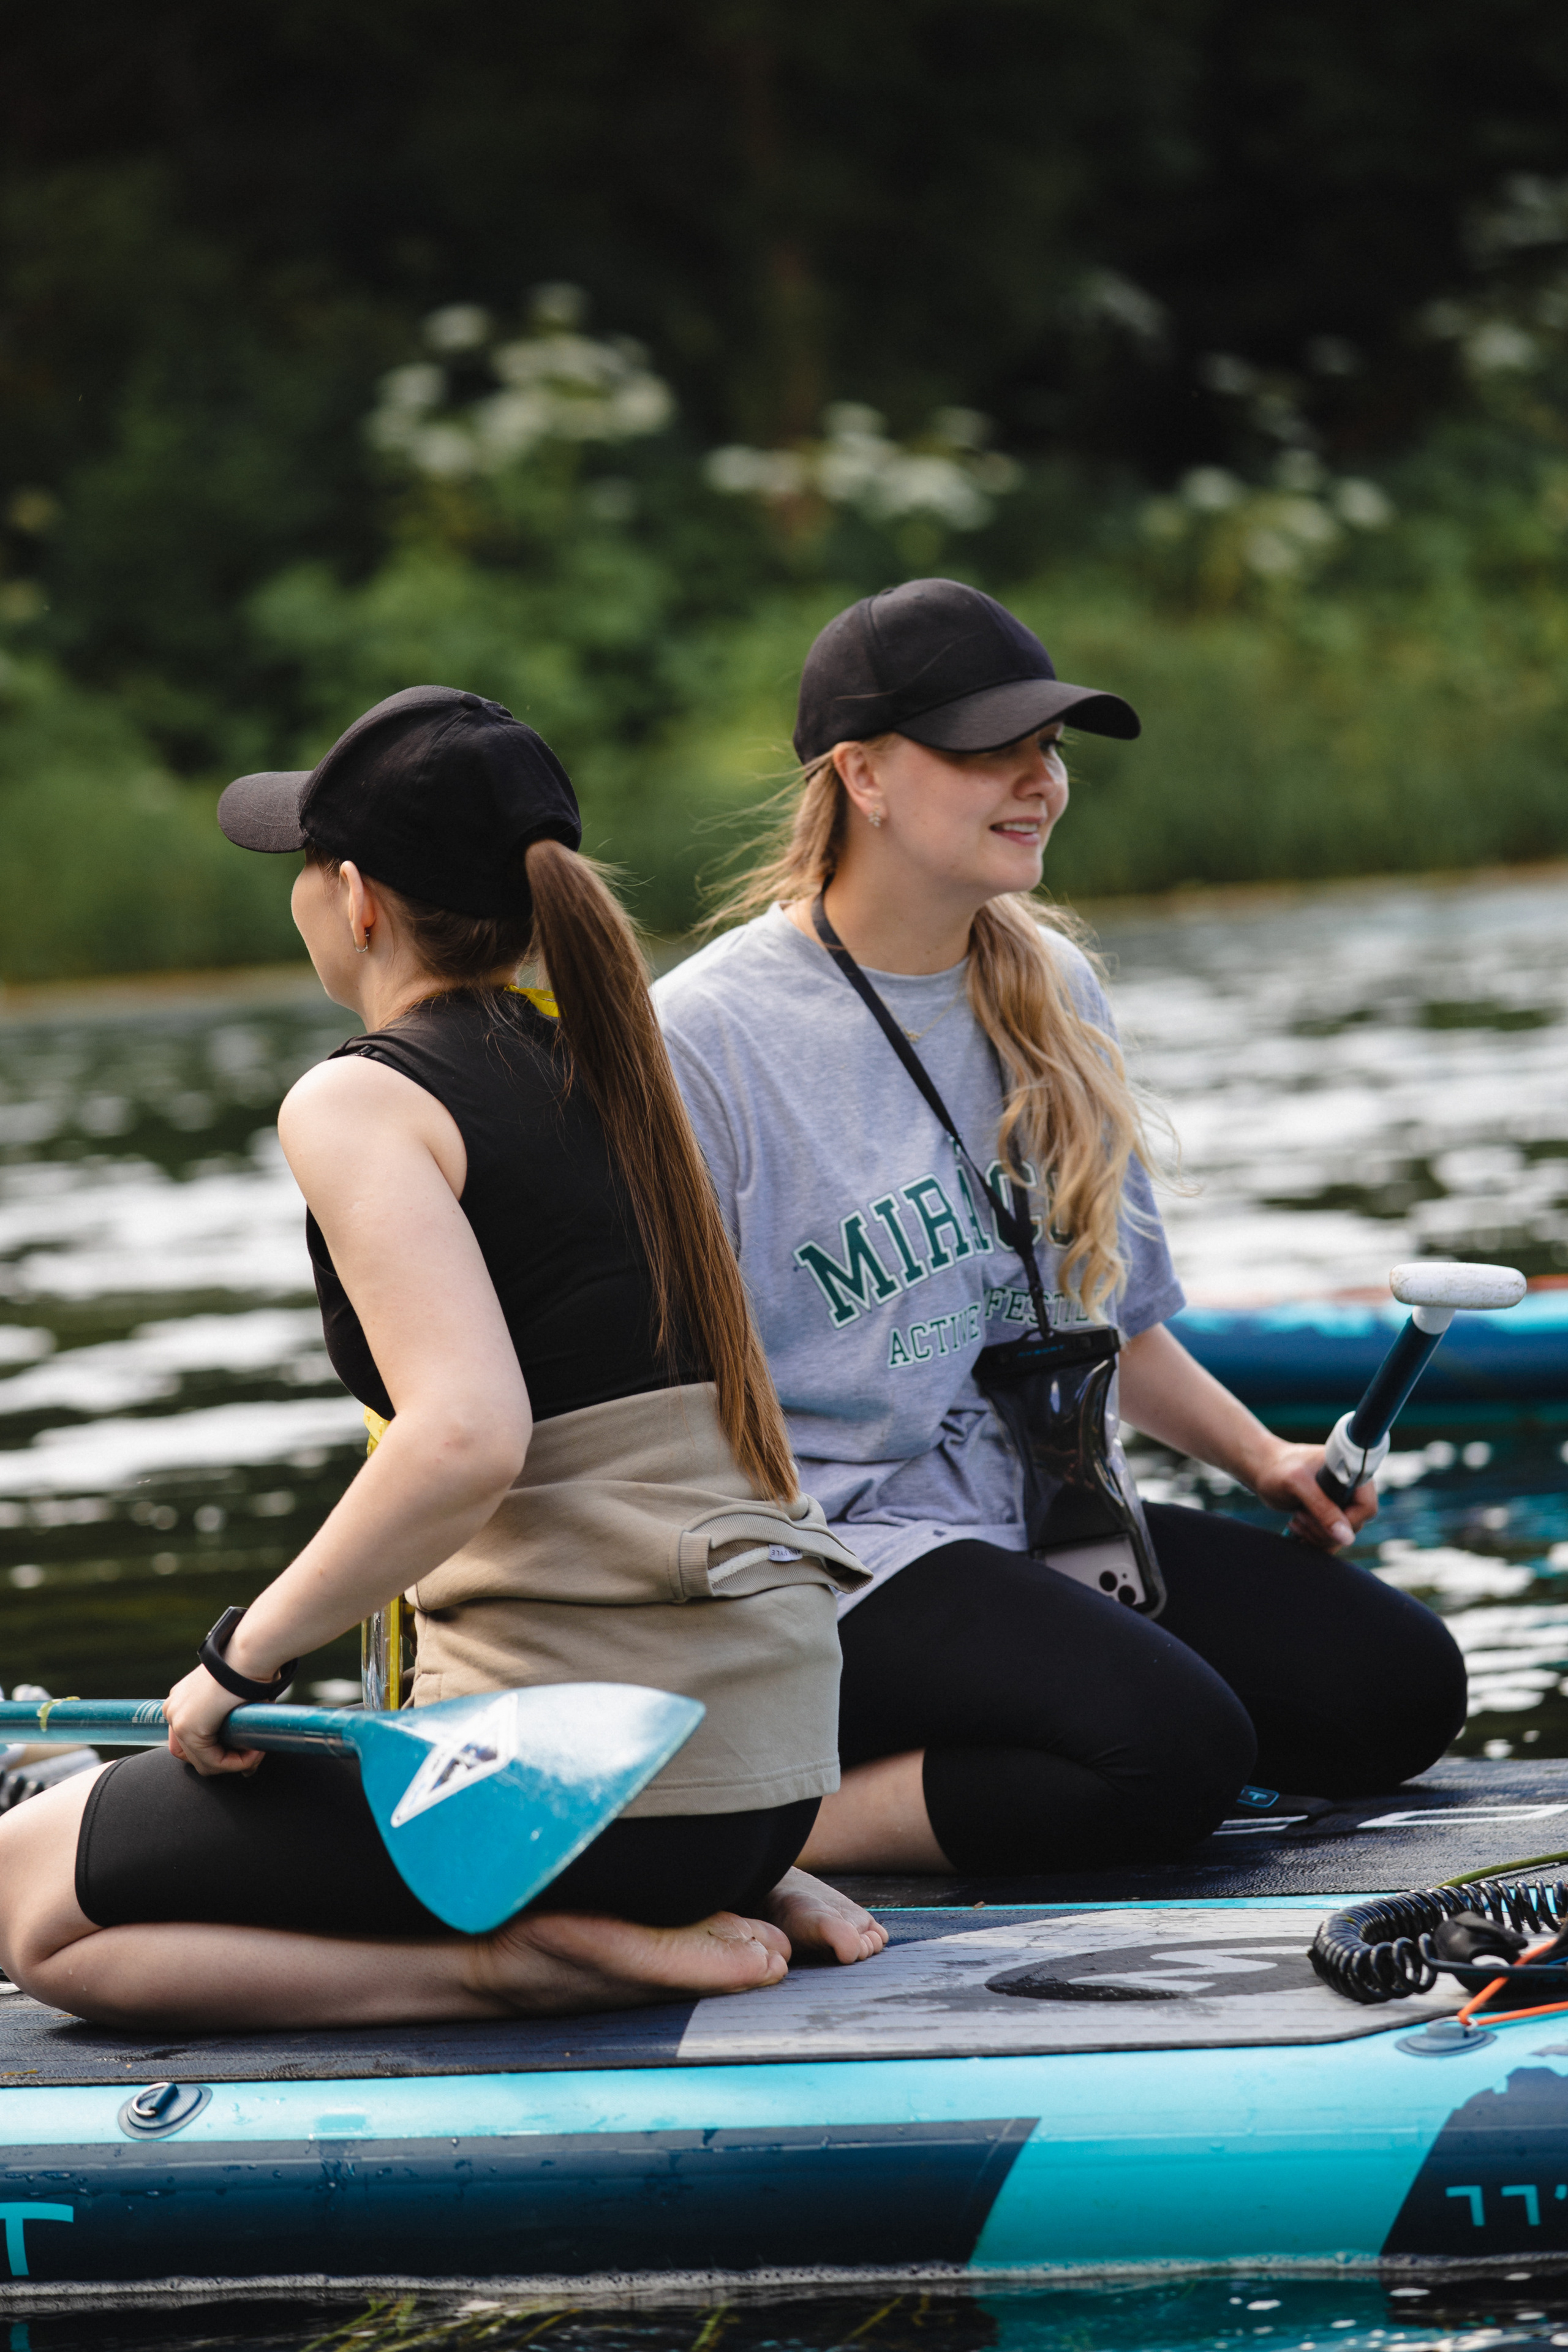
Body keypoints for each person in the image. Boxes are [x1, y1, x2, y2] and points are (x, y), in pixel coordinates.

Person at [0, 685, 884, 2030]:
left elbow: (466, 1435)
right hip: (759, 1790)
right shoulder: (615, 1070)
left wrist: (242, 1663)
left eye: (301, 865)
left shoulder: (360, 1096)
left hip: (581, 1805)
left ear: (355, 898)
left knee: (30, 1909)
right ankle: (681, 1900)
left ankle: (510, 1964)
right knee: (121, 1806)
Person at [653, 581, 1466, 1877]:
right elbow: (641, 1398)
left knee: (1394, 1692)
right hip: (823, 1564)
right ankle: (750, 1825)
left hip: (1039, 1520)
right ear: (859, 774)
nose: (1037, 780)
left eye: (1048, 749)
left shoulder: (1052, 983)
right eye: (989, 749)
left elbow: (1108, 1326)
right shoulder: (702, 1039)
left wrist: (1265, 1462)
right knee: (1172, 1751)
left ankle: (980, 1753)